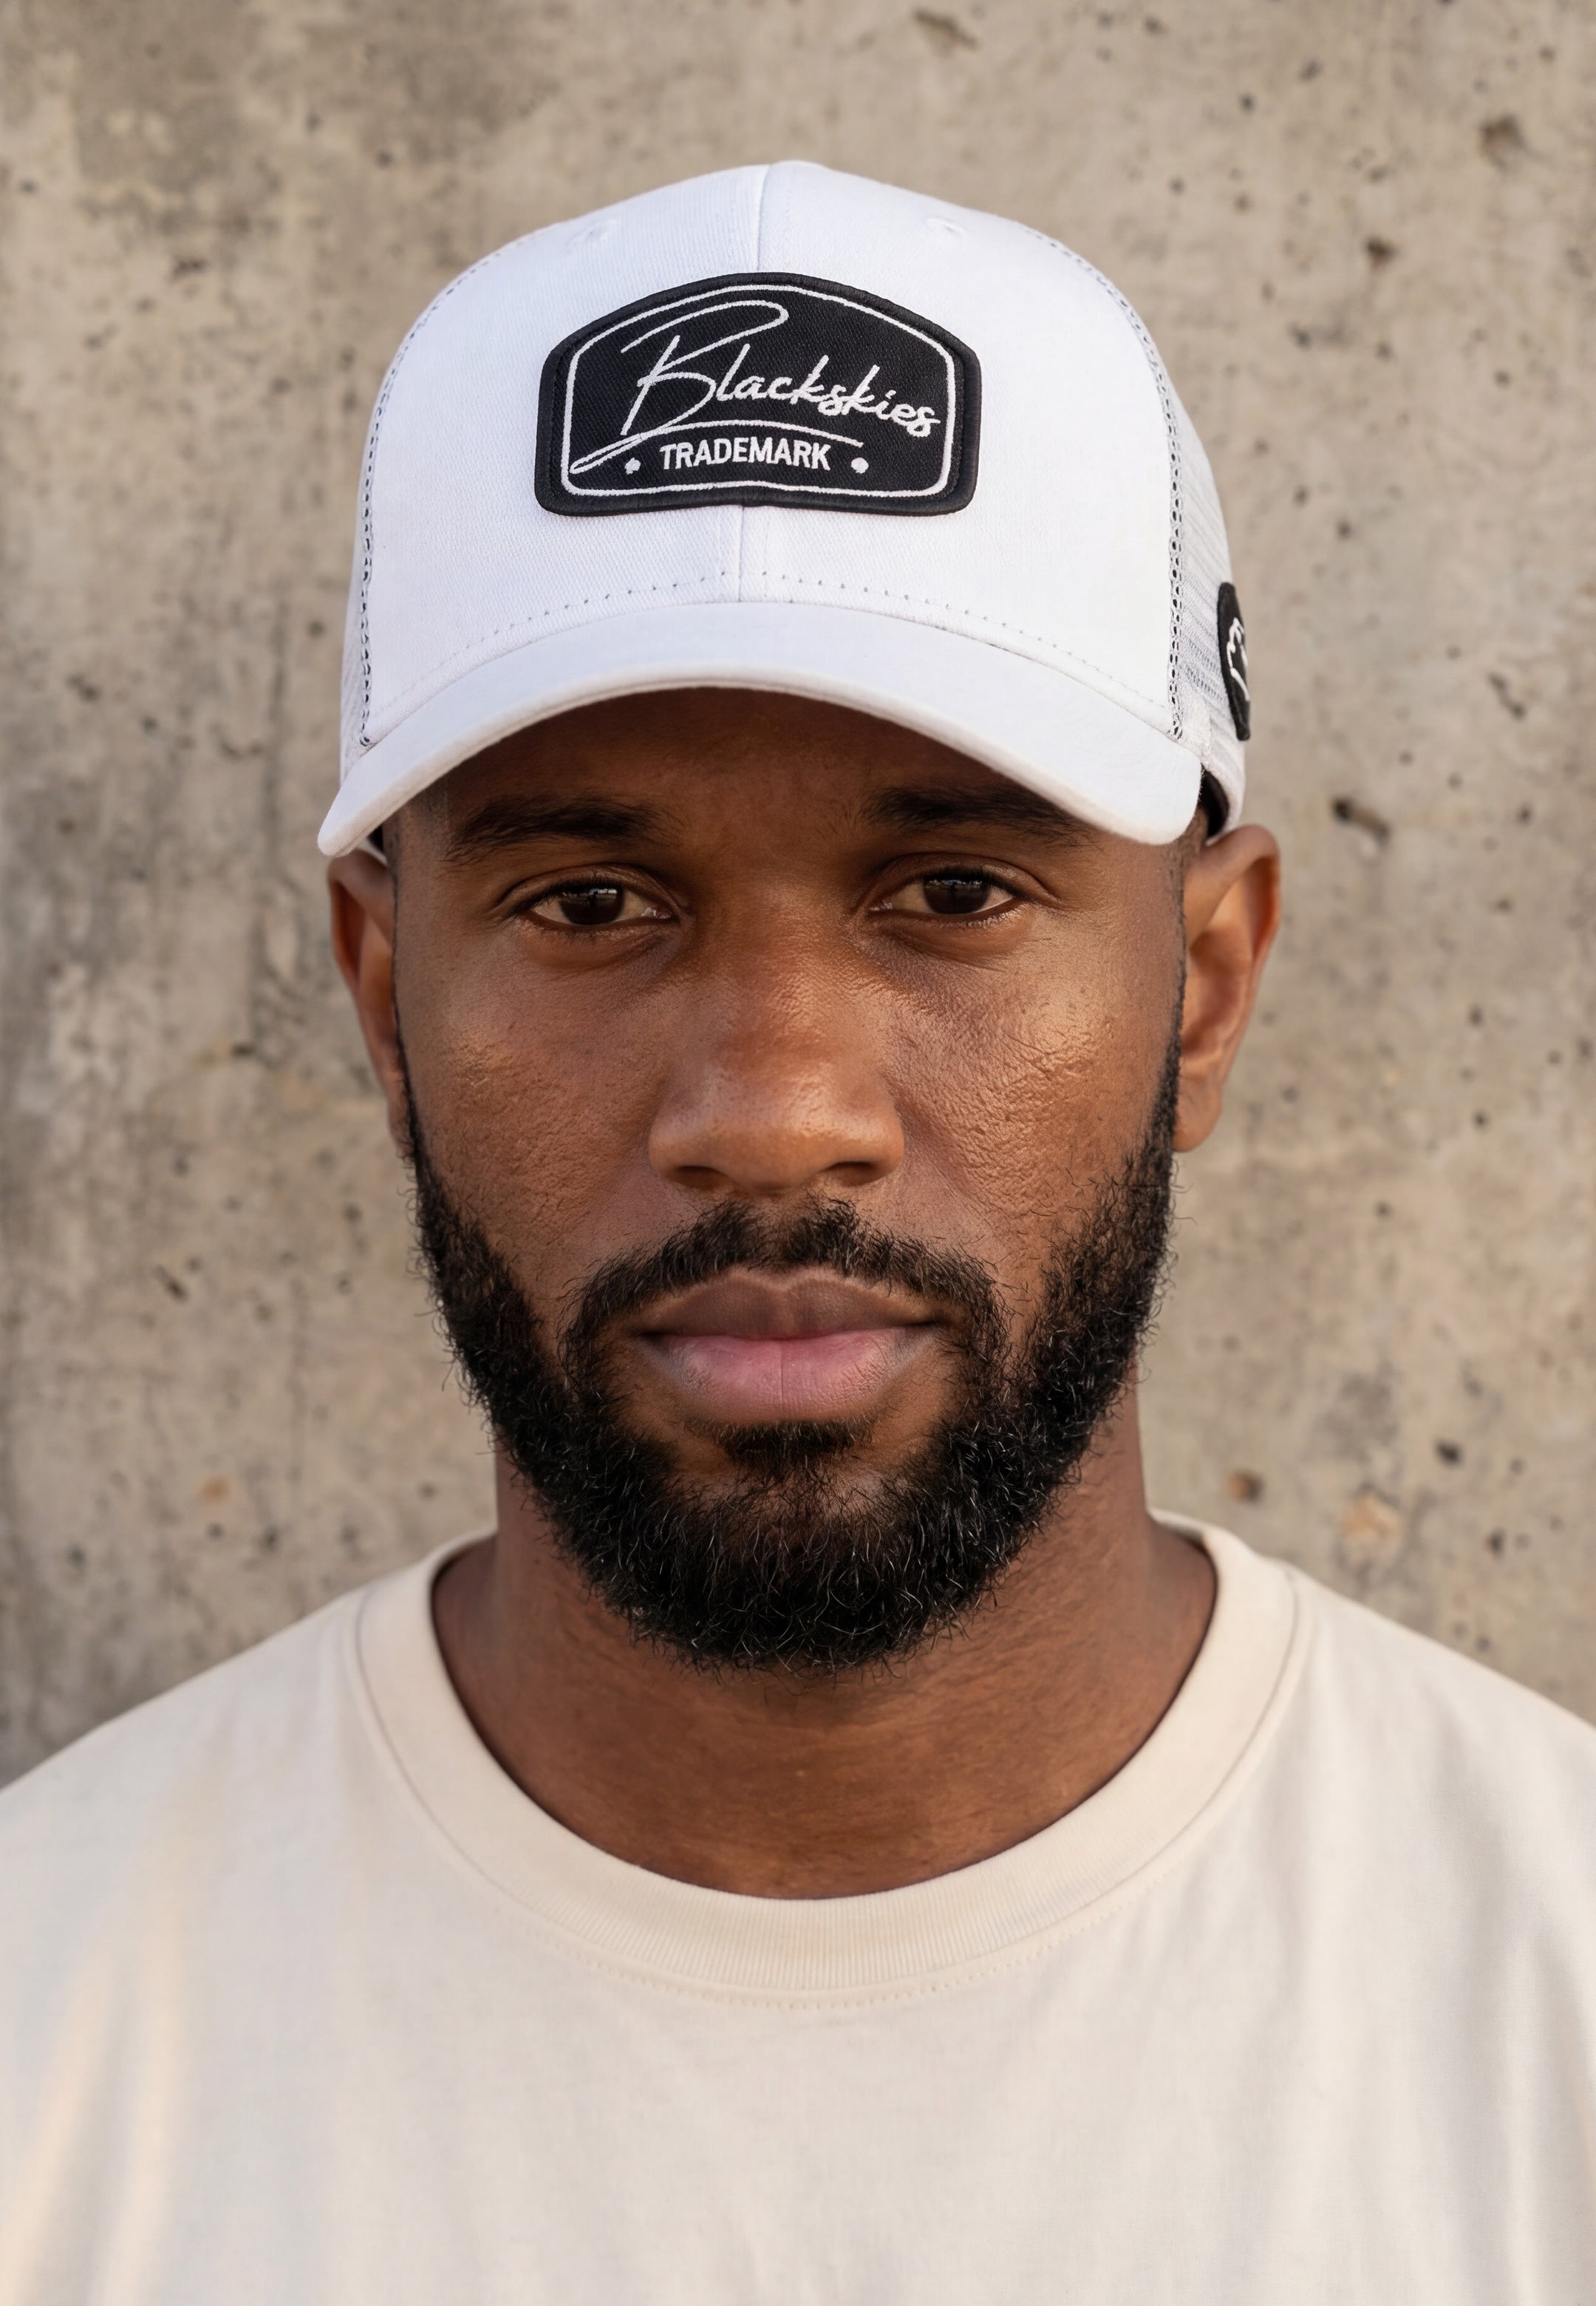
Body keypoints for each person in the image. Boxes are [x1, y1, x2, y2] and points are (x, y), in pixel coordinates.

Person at [1, 160, 1592, 2303]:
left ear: (1203, 988)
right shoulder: (53, 2036)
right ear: (389, 1000)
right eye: (588, 907)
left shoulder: (1549, 1998)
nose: (771, 1112)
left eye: (953, 893)